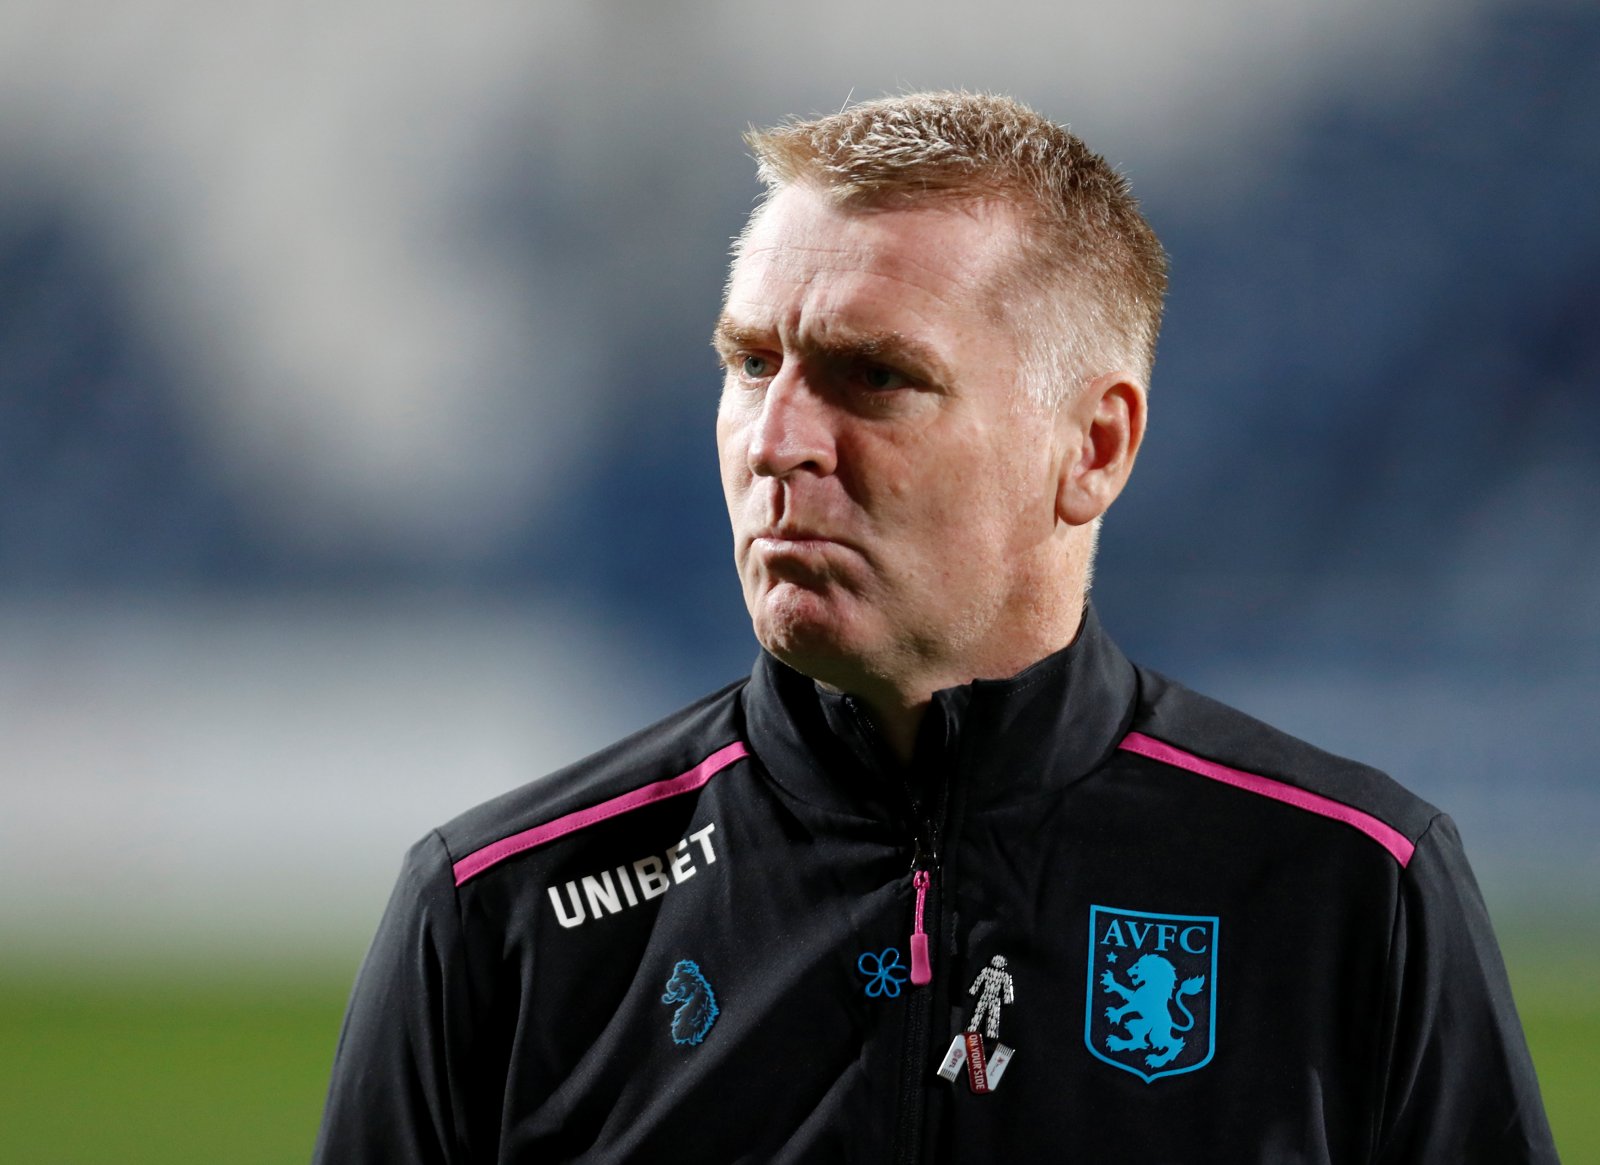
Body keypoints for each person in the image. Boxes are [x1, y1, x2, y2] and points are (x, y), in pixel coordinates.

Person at [314, 91, 1557, 1163]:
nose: (779, 442)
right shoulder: (498, 914)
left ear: (1093, 447)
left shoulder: (1349, 890)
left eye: (875, 377)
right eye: (752, 364)